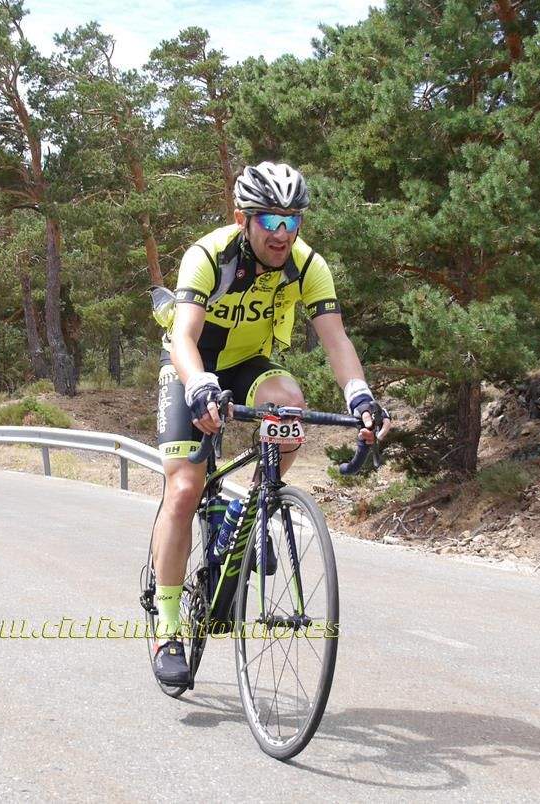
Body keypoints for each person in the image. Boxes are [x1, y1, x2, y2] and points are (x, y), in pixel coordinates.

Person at [149, 162, 390, 686]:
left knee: (291, 403)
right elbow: (185, 338)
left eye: (292, 221)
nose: (283, 235)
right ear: (243, 219)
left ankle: (255, 509)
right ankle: (167, 628)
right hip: (191, 363)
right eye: (270, 222)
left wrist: (361, 395)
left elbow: (336, 341)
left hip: (250, 361)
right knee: (185, 486)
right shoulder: (208, 255)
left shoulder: (308, 265)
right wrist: (198, 386)